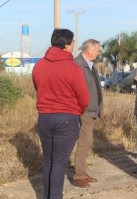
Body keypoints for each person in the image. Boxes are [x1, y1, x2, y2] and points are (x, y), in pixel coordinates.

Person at [32, 28, 90, 199]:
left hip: (44, 117)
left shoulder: (39, 65)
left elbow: (38, 88)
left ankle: (47, 196)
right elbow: (83, 97)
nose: (74, 46)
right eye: (73, 42)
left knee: (48, 160)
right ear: (66, 45)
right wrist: (75, 112)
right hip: (66, 118)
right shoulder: (72, 68)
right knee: (59, 162)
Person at [72, 39, 103, 188]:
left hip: (91, 110)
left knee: (87, 141)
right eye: (97, 49)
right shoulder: (77, 64)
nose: (99, 52)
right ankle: (78, 176)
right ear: (89, 50)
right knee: (84, 142)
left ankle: (82, 172)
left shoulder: (89, 65)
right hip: (83, 111)